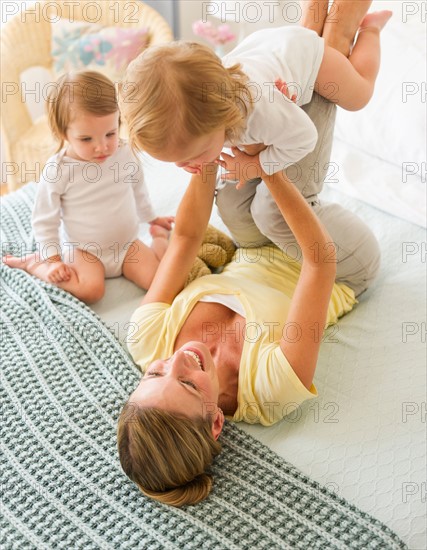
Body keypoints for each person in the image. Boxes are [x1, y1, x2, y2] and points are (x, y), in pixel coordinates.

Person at [116, 3, 386, 505]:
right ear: (217, 420)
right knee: (269, 203)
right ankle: (344, 29)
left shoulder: (149, 340)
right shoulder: (268, 390)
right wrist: (265, 166)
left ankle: (305, 47)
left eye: (154, 375)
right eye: (190, 385)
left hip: (256, 245)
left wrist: (205, 163)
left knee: (235, 194)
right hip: (340, 263)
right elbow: (319, 260)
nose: (177, 361)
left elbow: (186, 238)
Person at [118, 8, 390, 294]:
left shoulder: (260, 110)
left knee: (359, 94)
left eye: (192, 156)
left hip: (310, 59)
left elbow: (304, 138)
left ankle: (370, 30)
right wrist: (196, 156)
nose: (188, 165)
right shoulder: (204, 109)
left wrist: (257, 163)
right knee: (234, 203)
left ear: (222, 117)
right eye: (178, 161)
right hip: (269, 52)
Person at [3, 71, 174, 304]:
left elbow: (138, 189)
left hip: (126, 244)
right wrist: (53, 259)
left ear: (118, 122)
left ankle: (160, 236)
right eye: (87, 139)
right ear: (64, 134)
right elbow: (45, 219)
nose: (102, 147)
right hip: (85, 250)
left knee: (160, 281)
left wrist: (152, 218)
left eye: (110, 134)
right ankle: (36, 264)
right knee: (92, 291)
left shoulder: (124, 154)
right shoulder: (59, 170)